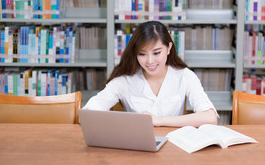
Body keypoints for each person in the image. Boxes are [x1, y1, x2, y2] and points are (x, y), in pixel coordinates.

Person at [83, 20, 218, 127]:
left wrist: (159, 121)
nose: (150, 61)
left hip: (174, 146)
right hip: (136, 145)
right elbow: (89, 112)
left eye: (156, 53)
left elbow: (210, 118)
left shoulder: (184, 76)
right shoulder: (125, 79)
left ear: (169, 48)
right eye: (142, 54)